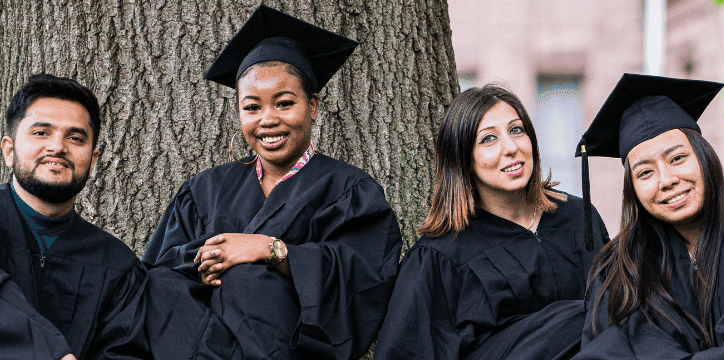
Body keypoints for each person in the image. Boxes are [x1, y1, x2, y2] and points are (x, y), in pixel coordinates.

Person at [133, 5, 402, 359]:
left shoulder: (348, 190)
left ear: (313, 106)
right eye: (252, 107)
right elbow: (158, 281)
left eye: (285, 103)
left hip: (287, 349)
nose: (268, 120)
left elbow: (365, 280)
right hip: (201, 349)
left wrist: (273, 251)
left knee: (248, 281)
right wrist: (212, 260)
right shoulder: (205, 190)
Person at [572, 74, 724, 359]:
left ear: (704, 156)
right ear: (632, 190)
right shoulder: (621, 267)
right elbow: (610, 349)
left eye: (677, 158)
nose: (666, 180)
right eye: (645, 172)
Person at [373, 84, 608, 360]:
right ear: (462, 158)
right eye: (488, 139)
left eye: (516, 130)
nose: (510, 148)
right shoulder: (442, 256)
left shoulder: (578, 217)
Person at [0, 74, 146, 359]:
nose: (58, 147)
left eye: (75, 138)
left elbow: (124, 349)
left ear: (92, 161)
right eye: (41, 132)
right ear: (9, 150)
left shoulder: (116, 264)